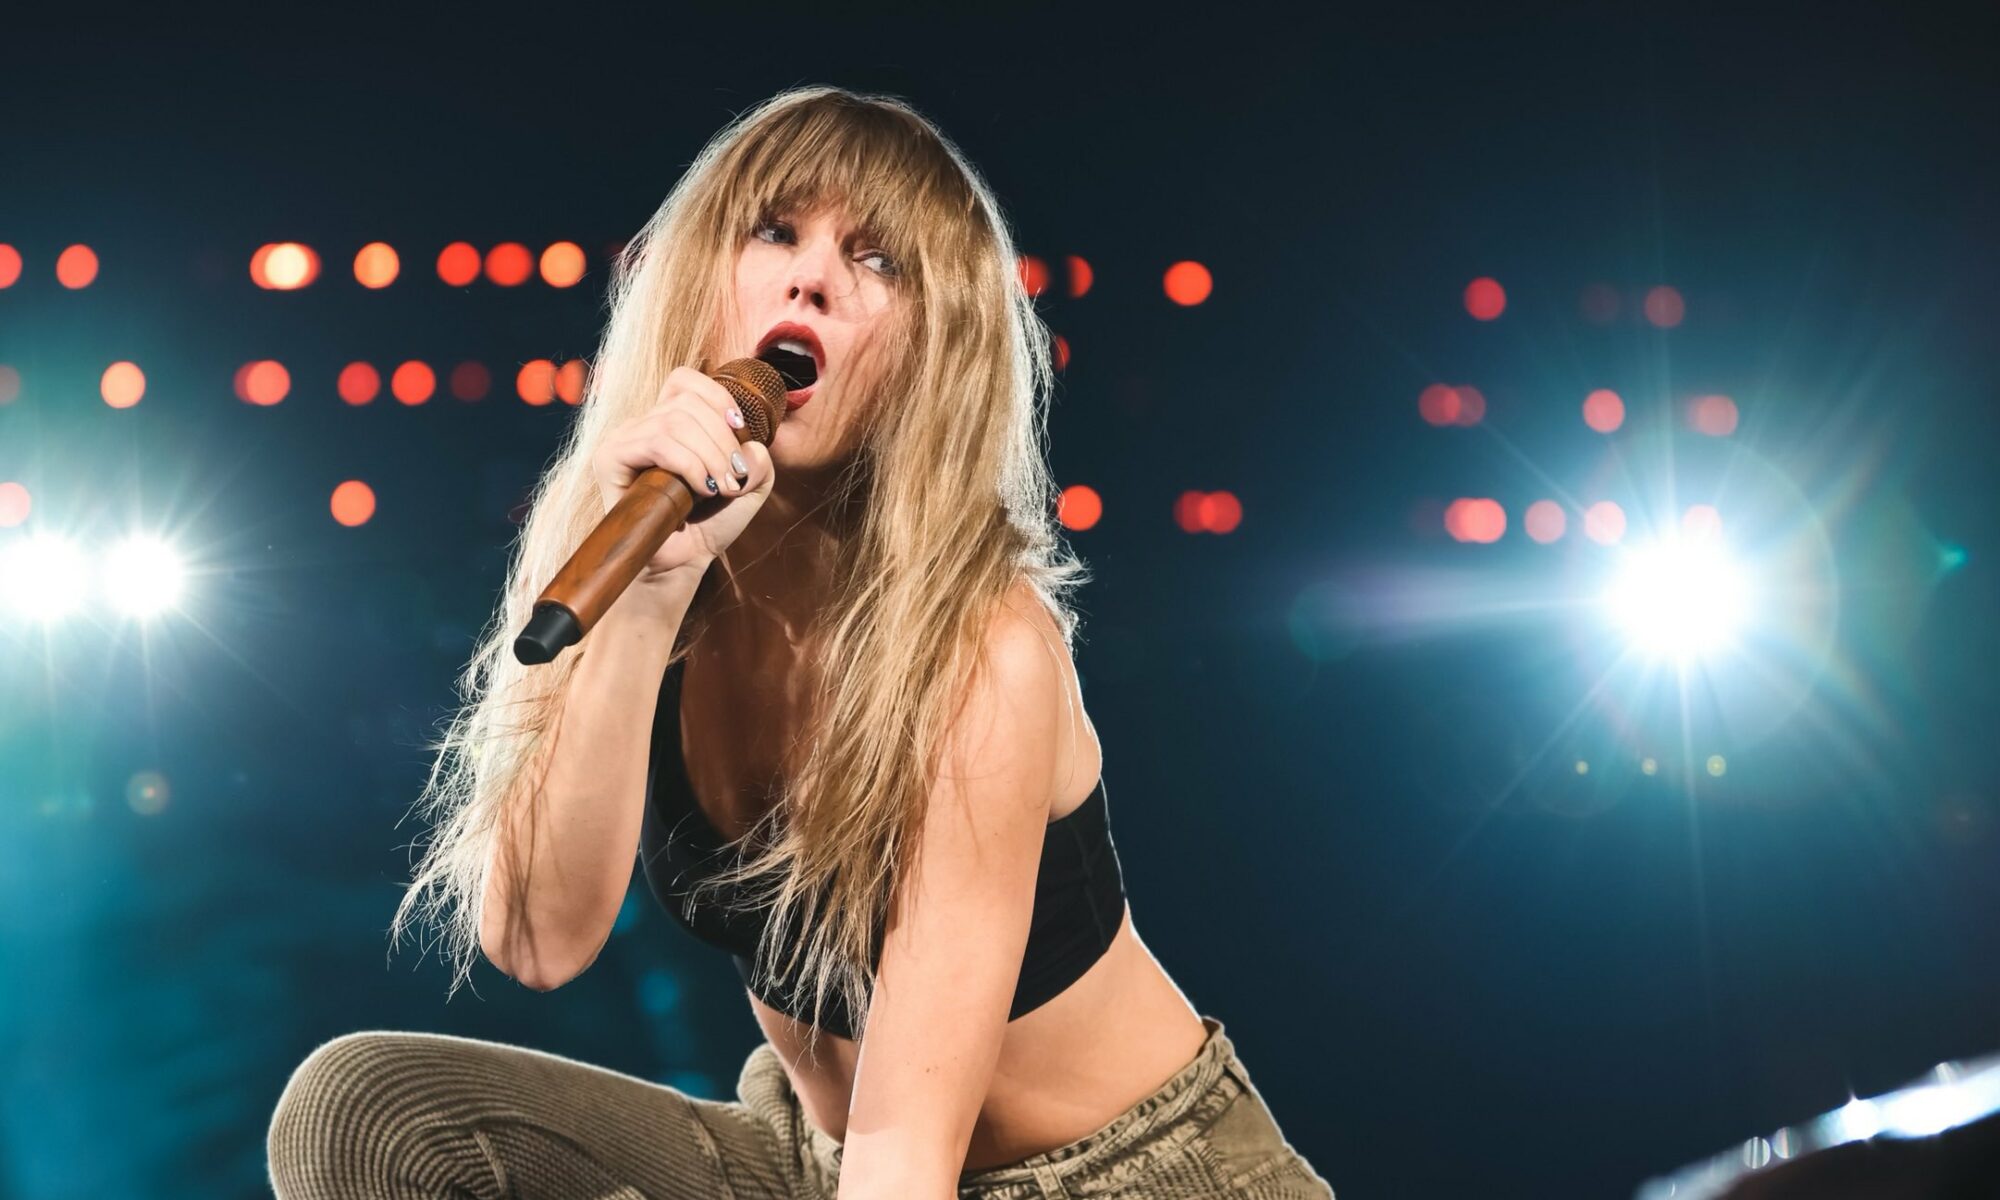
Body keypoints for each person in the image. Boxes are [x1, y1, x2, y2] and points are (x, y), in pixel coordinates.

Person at [267, 84, 1335, 1199]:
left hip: (1124, 1175)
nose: (811, 277)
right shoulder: (628, 546)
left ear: (932, 348)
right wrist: (648, 601)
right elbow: (539, 942)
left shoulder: (984, 651)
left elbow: (906, 1153)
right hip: (824, 1159)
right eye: (774, 231)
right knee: (365, 1111)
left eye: (877, 261)